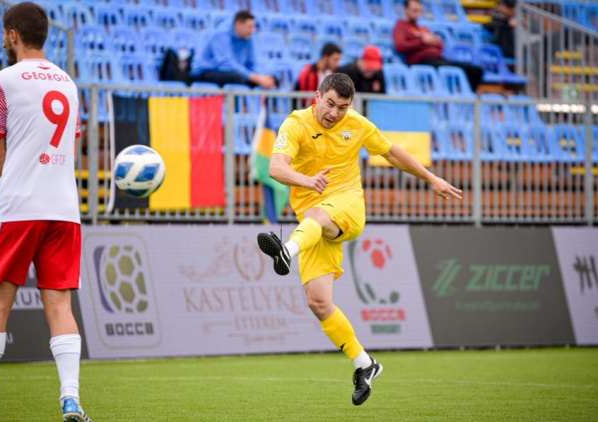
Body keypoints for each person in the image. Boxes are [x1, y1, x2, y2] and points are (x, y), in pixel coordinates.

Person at [256, 73, 461, 406]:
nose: (335, 113)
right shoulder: (295, 124)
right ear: (317, 96)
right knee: (319, 302)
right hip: (312, 220)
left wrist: (431, 177)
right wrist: (307, 181)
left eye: (343, 107)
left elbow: (392, 153)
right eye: (331, 103)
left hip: (347, 206)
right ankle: (365, 364)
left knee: (315, 218)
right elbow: (277, 169)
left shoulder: (358, 125)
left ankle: (285, 251)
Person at [0, 2, 91, 422]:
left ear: (12, 35)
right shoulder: (70, 84)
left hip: (19, 205)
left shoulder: (0, 81)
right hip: (63, 208)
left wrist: (11, 177)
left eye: (5, 34)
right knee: (60, 307)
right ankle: (70, 399)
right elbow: (71, 141)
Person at [393, 0, 484, 91]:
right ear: (406, 10)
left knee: (476, 71)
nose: (417, 14)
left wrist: (434, 42)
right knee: (452, 69)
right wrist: (422, 41)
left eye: (419, 11)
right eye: (414, 10)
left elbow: (439, 45)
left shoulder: (422, 28)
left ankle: (468, 95)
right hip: (421, 60)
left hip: (437, 58)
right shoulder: (401, 26)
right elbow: (400, 46)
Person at [190, 10, 277, 89]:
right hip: (206, 72)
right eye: (250, 27)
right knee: (238, 78)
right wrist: (256, 78)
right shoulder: (221, 34)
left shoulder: (247, 38)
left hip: (233, 72)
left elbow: (253, 63)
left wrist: (263, 78)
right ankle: (236, 106)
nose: (252, 30)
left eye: (253, 26)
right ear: (238, 25)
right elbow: (226, 64)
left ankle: (269, 106)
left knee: (274, 80)